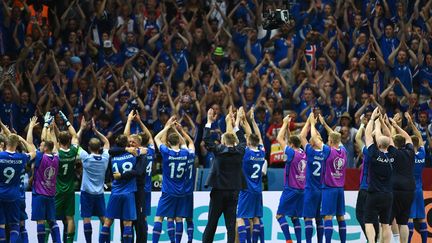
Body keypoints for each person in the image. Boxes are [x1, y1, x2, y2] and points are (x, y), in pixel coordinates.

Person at [202, 107, 247, 243]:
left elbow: (206, 140)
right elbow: (242, 140)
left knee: (212, 223)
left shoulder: (219, 150)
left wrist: (209, 121)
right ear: (234, 142)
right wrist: (236, 123)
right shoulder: (239, 151)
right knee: (230, 225)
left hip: (218, 192)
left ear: (223, 141)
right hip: (233, 192)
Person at [152, 116, 195, 243]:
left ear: (169, 143)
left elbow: (156, 138)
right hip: (181, 192)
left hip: (168, 191)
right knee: (179, 218)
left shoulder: (166, 152)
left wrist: (167, 127)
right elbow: (186, 143)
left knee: (159, 218)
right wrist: (178, 130)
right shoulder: (185, 153)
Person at [98, 134, 141, 243]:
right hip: (129, 192)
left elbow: (111, 150)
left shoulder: (113, 157)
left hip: (115, 192)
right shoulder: (133, 155)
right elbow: (143, 152)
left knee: (107, 222)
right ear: (126, 144)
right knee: (127, 223)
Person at [123, 110, 155, 243]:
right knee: (142, 218)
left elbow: (125, 138)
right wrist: (140, 122)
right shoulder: (150, 151)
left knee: (134, 218)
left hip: (137, 189)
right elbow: (150, 138)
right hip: (146, 189)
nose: (130, 144)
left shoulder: (134, 153)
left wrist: (130, 121)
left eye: (132, 142)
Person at [363, 108, 394, 243]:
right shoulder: (393, 155)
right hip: (388, 195)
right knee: (385, 224)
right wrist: (382, 123)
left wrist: (372, 119)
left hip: (374, 193)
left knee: (369, 222)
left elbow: (367, 135)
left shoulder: (374, 154)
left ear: (378, 144)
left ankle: (371, 241)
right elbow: (391, 138)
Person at [30, 112, 62, 243]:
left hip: (39, 193)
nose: (40, 146)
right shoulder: (57, 157)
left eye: (42, 146)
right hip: (51, 194)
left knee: (40, 221)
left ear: (45, 148)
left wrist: (34, 127)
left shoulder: (40, 156)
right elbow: (52, 142)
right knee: (52, 221)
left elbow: (30, 143)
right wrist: (50, 128)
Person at [77, 118, 110, 243]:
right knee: (104, 220)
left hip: (86, 193)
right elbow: (106, 142)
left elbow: (75, 142)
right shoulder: (105, 158)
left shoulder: (86, 157)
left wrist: (81, 129)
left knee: (87, 219)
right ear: (99, 148)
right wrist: (96, 131)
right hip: (99, 193)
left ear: (89, 147)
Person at [275, 114, 307, 243]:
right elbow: (290, 140)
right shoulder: (303, 153)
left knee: (279, 215)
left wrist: (283, 123)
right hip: (302, 190)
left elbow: (279, 138)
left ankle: (288, 240)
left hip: (291, 189)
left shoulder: (291, 153)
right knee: (295, 217)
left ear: (291, 145)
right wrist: (288, 127)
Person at [0, 130, 35, 243]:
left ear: (5, 143)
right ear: (17, 144)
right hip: (14, 195)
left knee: (1, 225)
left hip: (1, 193)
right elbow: (33, 151)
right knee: (15, 224)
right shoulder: (21, 158)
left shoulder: (0, 156)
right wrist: (21, 139)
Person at [236, 108, 266, 243]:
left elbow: (239, 135)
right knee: (256, 218)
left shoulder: (246, 153)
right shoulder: (262, 152)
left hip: (246, 190)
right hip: (258, 190)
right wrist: (252, 121)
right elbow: (256, 136)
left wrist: (238, 120)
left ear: (248, 143)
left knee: (241, 218)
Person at [318, 114, 347, 243]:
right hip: (340, 189)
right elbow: (336, 138)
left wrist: (314, 124)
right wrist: (325, 125)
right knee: (341, 217)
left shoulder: (328, 150)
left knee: (328, 217)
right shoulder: (343, 150)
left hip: (329, 188)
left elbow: (315, 139)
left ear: (329, 141)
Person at [389, 114, 416, 243]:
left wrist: (391, 124)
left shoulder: (393, 152)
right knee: (404, 221)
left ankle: (393, 241)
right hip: (409, 189)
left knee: (388, 220)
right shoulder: (411, 152)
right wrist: (398, 127)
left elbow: (387, 139)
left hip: (395, 189)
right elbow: (408, 138)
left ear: (394, 144)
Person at [55, 111, 80, 243]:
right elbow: (75, 135)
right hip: (70, 190)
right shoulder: (73, 151)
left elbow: (51, 139)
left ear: (59, 141)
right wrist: (66, 120)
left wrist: (50, 125)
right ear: (69, 140)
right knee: (70, 217)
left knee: (52, 217)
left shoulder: (57, 153)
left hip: (58, 189)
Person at [300, 113, 324, 243]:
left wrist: (310, 123)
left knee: (308, 218)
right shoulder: (326, 152)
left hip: (310, 190)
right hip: (322, 190)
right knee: (319, 219)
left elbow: (302, 136)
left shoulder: (310, 151)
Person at [354, 116, 379, 240]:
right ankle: (375, 237)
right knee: (374, 215)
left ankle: (371, 238)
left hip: (365, 188)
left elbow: (357, 137)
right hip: (377, 189)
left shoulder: (368, 152)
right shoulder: (382, 153)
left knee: (360, 215)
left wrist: (363, 125)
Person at [405, 113, 427, 243]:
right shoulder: (422, 154)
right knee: (422, 218)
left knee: (410, 218)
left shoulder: (408, 156)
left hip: (410, 190)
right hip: (420, 189)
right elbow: (418, 136)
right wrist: (412, 124)